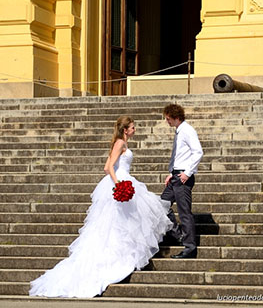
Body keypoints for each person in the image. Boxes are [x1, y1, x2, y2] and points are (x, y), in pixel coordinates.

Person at [29, 116, 172, 298]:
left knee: (124, 222)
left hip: (123, 178)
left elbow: (107, 165)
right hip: (119, 180)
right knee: (120, 221)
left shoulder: (121, 143)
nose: (135, 130)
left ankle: (126, 252)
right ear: (125, 129)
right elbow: (108, 167)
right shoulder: (120, 143)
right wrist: (118, 183)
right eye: (133, 127)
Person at [161, 104, 203, 259]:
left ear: (176, 117)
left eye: (168, 119)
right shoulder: (179, 131)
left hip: (183, 177)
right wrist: (171, 172)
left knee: (184, 212)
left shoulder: (187, 130)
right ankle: (179, 235)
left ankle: (190, 247)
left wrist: (187, 173)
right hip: (175, 175)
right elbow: (179, 155)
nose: (167, 122)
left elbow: (198, 152)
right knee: (161, 206)